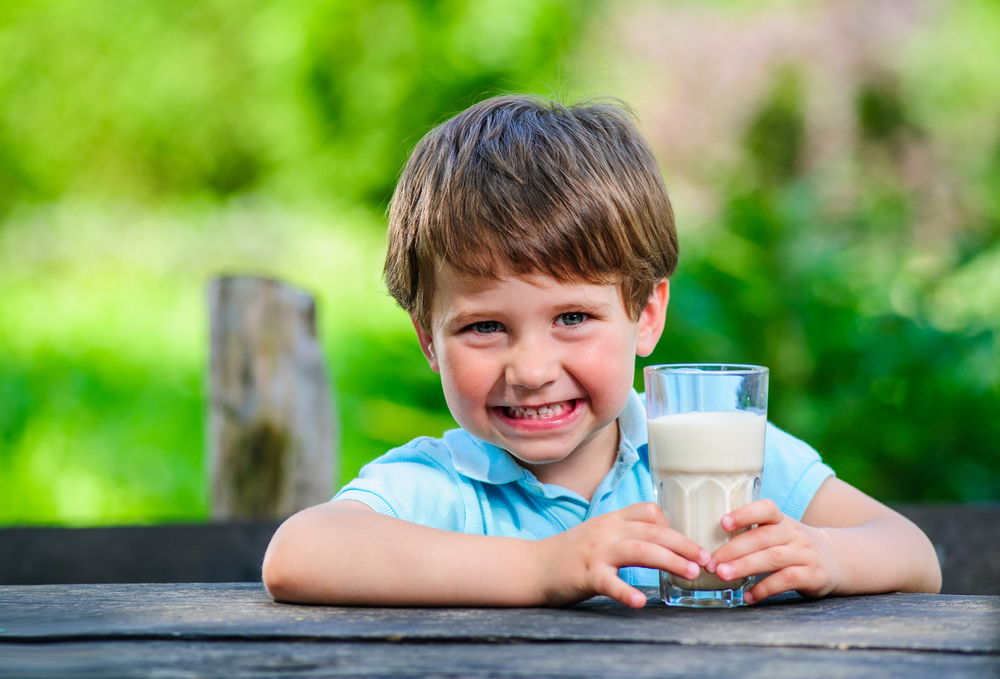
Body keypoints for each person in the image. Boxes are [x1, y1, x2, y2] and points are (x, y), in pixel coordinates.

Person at [262, 94, 941, 607]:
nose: (530, 370)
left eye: (574, 317)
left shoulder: (710, 449)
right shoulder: (445, 484)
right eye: (484, 327)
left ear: (646, 315)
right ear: (427, 340)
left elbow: (913, 553)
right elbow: (298, 554)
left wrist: (826, 553)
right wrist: (541, 567)